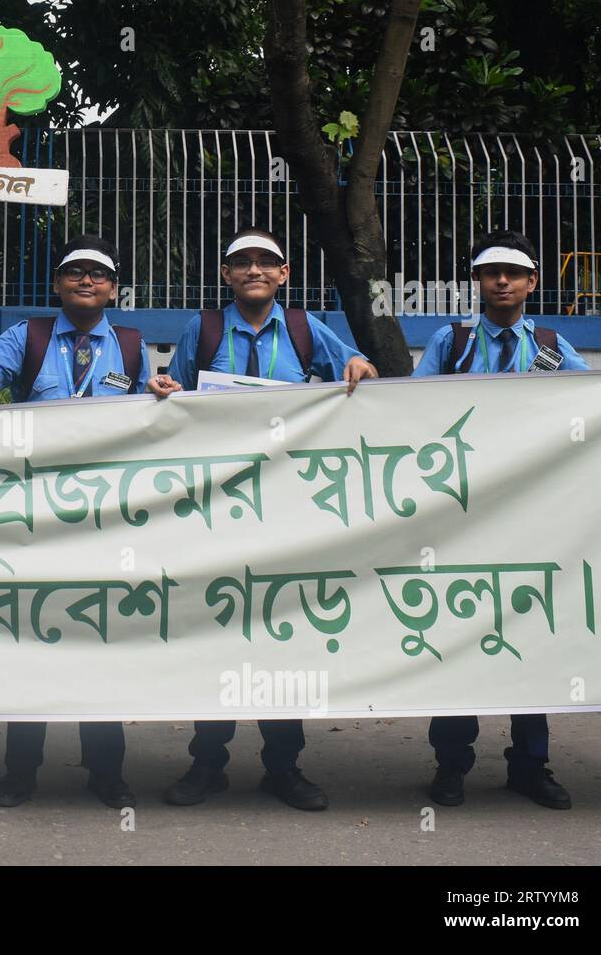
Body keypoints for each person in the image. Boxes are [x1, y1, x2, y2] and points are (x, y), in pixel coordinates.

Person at [147, 226, 377, 813]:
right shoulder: (202, 328)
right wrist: (166, 390)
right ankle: (207, 763)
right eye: (241, 262)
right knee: (217, 631)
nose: (253, 270)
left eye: (265, 262)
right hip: (218, 512)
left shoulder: (305, 328)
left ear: (284, 274)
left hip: (286, 511)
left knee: (283, 637)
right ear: (226, 274)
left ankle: (284, 766)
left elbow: (355, 368)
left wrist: (359, 366)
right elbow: (177, 405)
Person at [0, 234, 149, 810]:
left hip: (103, 522)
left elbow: (154, 428)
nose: (86, 281)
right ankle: (21, 770)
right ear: (57, 284)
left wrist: (162, 393)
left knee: (101, 643)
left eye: (98, 273)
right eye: (74, 273)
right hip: (32, 519)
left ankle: (106, 769)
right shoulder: (28, 337)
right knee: (30, 637)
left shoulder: (133, 346)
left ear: (114, 287)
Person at [412, 228, 587, 810]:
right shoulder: (451, 341)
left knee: (529, 636)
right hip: (460, 517)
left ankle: (530, 765)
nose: (503, 282)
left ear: (532, 282)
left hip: (531, 518)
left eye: (514, 273)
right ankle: (451, 765)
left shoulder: (555, 348)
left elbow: (596, 408)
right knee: (457, 634)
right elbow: (409, 416)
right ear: (479, 283)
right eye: (492, 273)